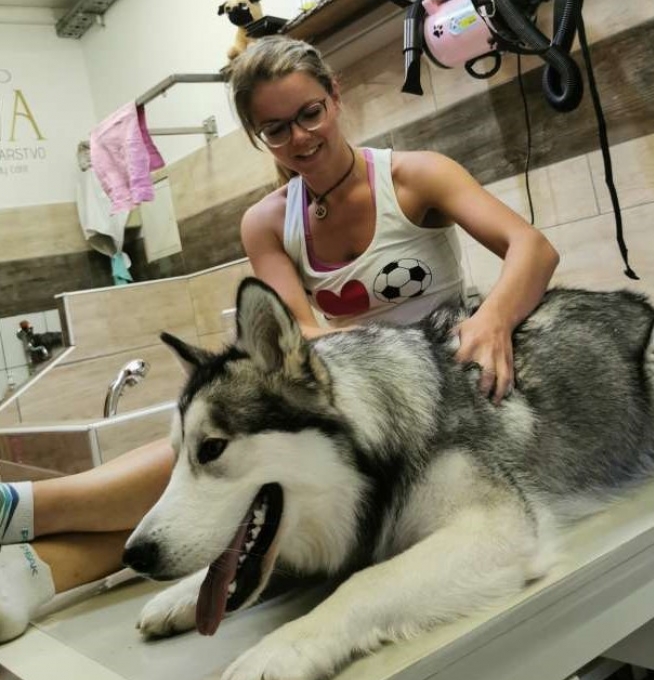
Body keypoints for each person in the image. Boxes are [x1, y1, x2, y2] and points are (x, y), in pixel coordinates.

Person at [0, 36, 559, 642]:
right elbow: (304, 332)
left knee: (217, 460)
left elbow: (532, 248)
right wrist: (351, 354)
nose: (300, 138)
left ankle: (27, 514)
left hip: (440, 396)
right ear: (256, 135)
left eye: (309, 114)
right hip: (357, 390)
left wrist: (493, 319)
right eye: (275, 129)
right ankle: (33, 568)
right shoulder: (267, 221)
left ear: (334, 97)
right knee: (215, 475)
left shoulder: (413, 176)